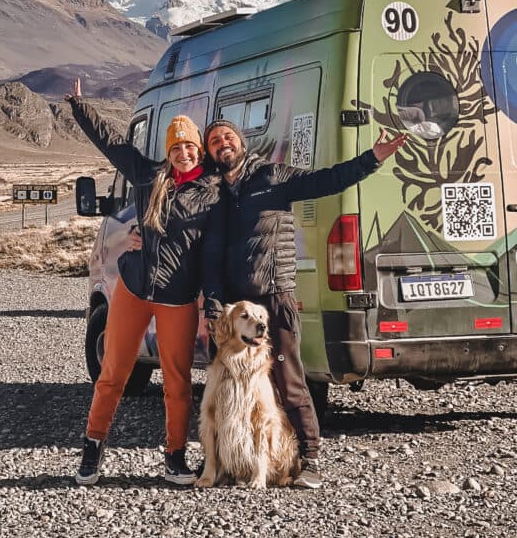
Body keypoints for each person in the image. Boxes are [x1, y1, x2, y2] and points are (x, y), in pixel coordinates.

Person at [201, 120, 407, 490]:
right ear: (210, 151)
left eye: (227, 136)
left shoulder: (272, 176)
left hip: (275, 296)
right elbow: (210, 255)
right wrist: (214, 308)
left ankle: (309, 460)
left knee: (289, 380)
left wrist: (371, 159)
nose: (222, 144)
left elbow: (325, 181)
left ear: (241, 143)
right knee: (234, 386)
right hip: (237, 309)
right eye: (214, 140)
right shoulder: (214, 194)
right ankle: (242, 460)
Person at [66, 79, 221, 487]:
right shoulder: (149, 176)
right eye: (176, 147)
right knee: (113, 373)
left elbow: (215, 250)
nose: (183, 153)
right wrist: (80, 106)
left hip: (178, 299)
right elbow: (111, 143)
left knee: (177, 382)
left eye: (189, 146)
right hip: (134, 291)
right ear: (167, 152)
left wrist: (213, 298)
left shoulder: (212, 192)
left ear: (199, 150)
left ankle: (174, 456)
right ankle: (92, 449)